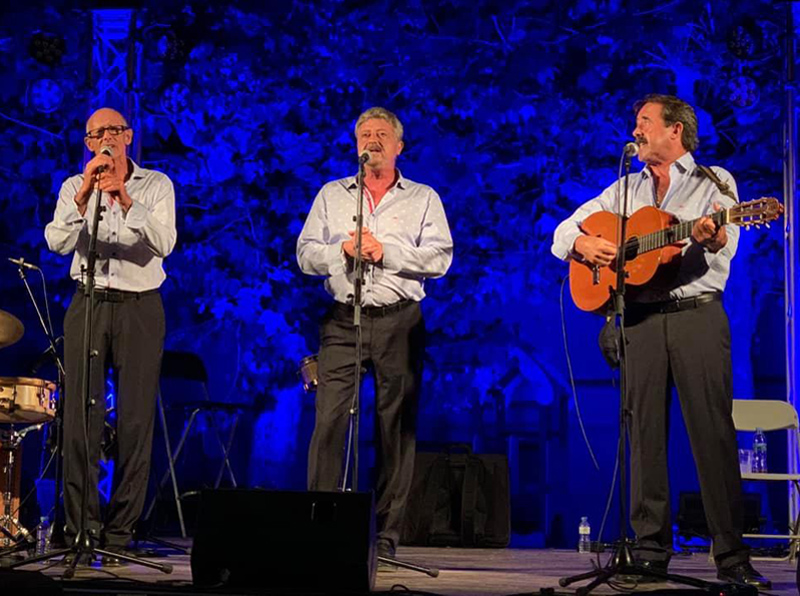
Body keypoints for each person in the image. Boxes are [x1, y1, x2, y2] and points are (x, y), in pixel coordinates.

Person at [551, 94, 770, 589]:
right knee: (643, 434)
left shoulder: (715, 182)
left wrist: (712, 236)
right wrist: (583, 243)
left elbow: (724, 244)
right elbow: (563, 232)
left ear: (675, 131)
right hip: (641, 320)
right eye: (636, 123)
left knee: (711, 435)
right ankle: (649, 550)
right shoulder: (626, 190)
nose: (636, 130)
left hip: (697, 318)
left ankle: (731, 555)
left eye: (645, 122)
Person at [297, 107, 453, 564]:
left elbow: (441, 258)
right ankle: (320, 521)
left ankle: (386, 532)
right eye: (365, 133)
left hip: (400, 319)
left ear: (399, 145)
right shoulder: (332, 195)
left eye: (383, 134)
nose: (374, 140)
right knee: (328, 421)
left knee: (395, 426)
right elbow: (305, 254)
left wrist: (387, 252)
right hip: (344, 318)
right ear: (355, 143)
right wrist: (338, 250)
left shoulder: (423, 197)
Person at [45, 108, 177, 565]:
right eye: (97, 133)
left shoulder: (156, 185)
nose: (107, 139)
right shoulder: (71, 187)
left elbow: (165, 242)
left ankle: (120, 533)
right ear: (87, 143)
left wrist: (124, 198)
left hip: (140, 306)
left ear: (129, 137)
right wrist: (85, 194)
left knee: (135, 422)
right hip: (89, 301)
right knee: (82, 417)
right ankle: (81, 528)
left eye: (115, 131)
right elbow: (57, 243)